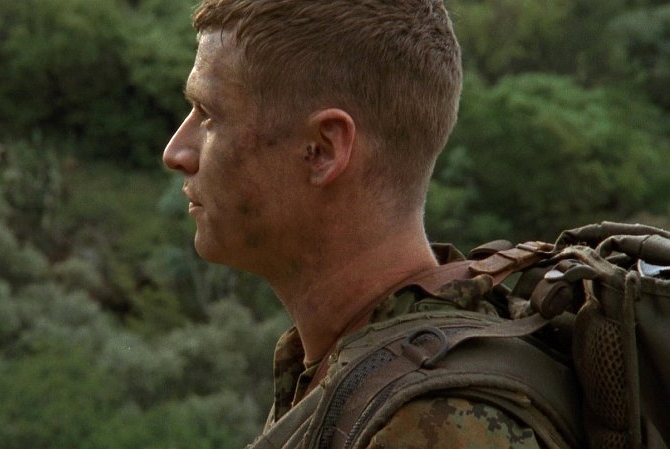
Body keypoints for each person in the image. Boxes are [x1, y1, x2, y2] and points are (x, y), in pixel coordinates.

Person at [162, 1, 578, 448]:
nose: (176, 152)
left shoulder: (431, 425)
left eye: (208, 115)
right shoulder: (360, 372)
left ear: (322, 151)